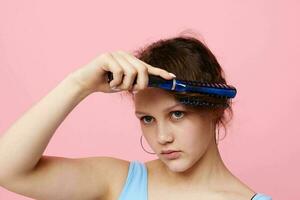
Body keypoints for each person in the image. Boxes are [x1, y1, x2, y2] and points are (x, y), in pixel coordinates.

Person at [0, 35, 272, 200]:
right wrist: (78, 84)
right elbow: (8, 170)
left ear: (215, 108)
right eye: (147, 119)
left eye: (177, 114)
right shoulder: (120, 181)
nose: (162, 138)